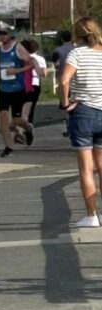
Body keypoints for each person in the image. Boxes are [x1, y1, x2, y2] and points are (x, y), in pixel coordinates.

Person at [59, 17, 102, 227]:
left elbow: (65, 80)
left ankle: (91, 215)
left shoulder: (76, 53)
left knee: (86, 168)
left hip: (84, 111)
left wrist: (65, 102)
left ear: (77, 34)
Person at [0, 22, 34, 157]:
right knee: (3, 121)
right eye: (0, 33)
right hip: (3, 89)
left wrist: (16, 70)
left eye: (4, 33)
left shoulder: (18, 48)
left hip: (17, 89)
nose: (1, 36)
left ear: (10, 34)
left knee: (17, 120)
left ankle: (28, 128)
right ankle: (8, 147)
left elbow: (31, 64)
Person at [53, 29, 75, 136]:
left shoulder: (58, 50)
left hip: (64, 81)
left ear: (61, 39)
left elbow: (56, 65)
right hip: (77, 82)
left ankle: (69, 128)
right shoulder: (77, 49)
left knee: (66, 106)